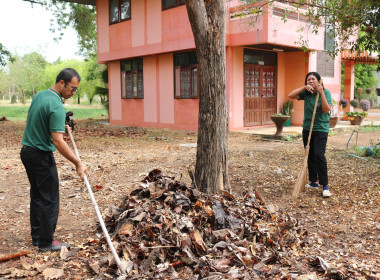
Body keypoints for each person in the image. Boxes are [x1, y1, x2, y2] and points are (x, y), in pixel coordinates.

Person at [20, 68, 88, 252]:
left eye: (76, 90)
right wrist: (78, 163)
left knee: (37, 195)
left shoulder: (40, 96)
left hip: (27, 152)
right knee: (49, 199)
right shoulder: (57, 106)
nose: (73, 93)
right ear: (61, 83)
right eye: (72, 89)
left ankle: (37, 237)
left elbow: (37, 123)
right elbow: (58, 142)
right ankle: (46, 243)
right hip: (41, 155)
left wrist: (58, 129)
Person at [288, 72, 332, 198]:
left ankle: (325, 185)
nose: (311, 81)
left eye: (313, 79)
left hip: (321, 128)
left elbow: (325, 109)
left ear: (319, 81)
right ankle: (313, 182)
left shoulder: (326, 92)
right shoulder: (306, 93)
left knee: (319, 154)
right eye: (308, 80)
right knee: (310, 154)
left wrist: (321, 92)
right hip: (307, 128)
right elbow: (290, 95)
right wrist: (303, 87)